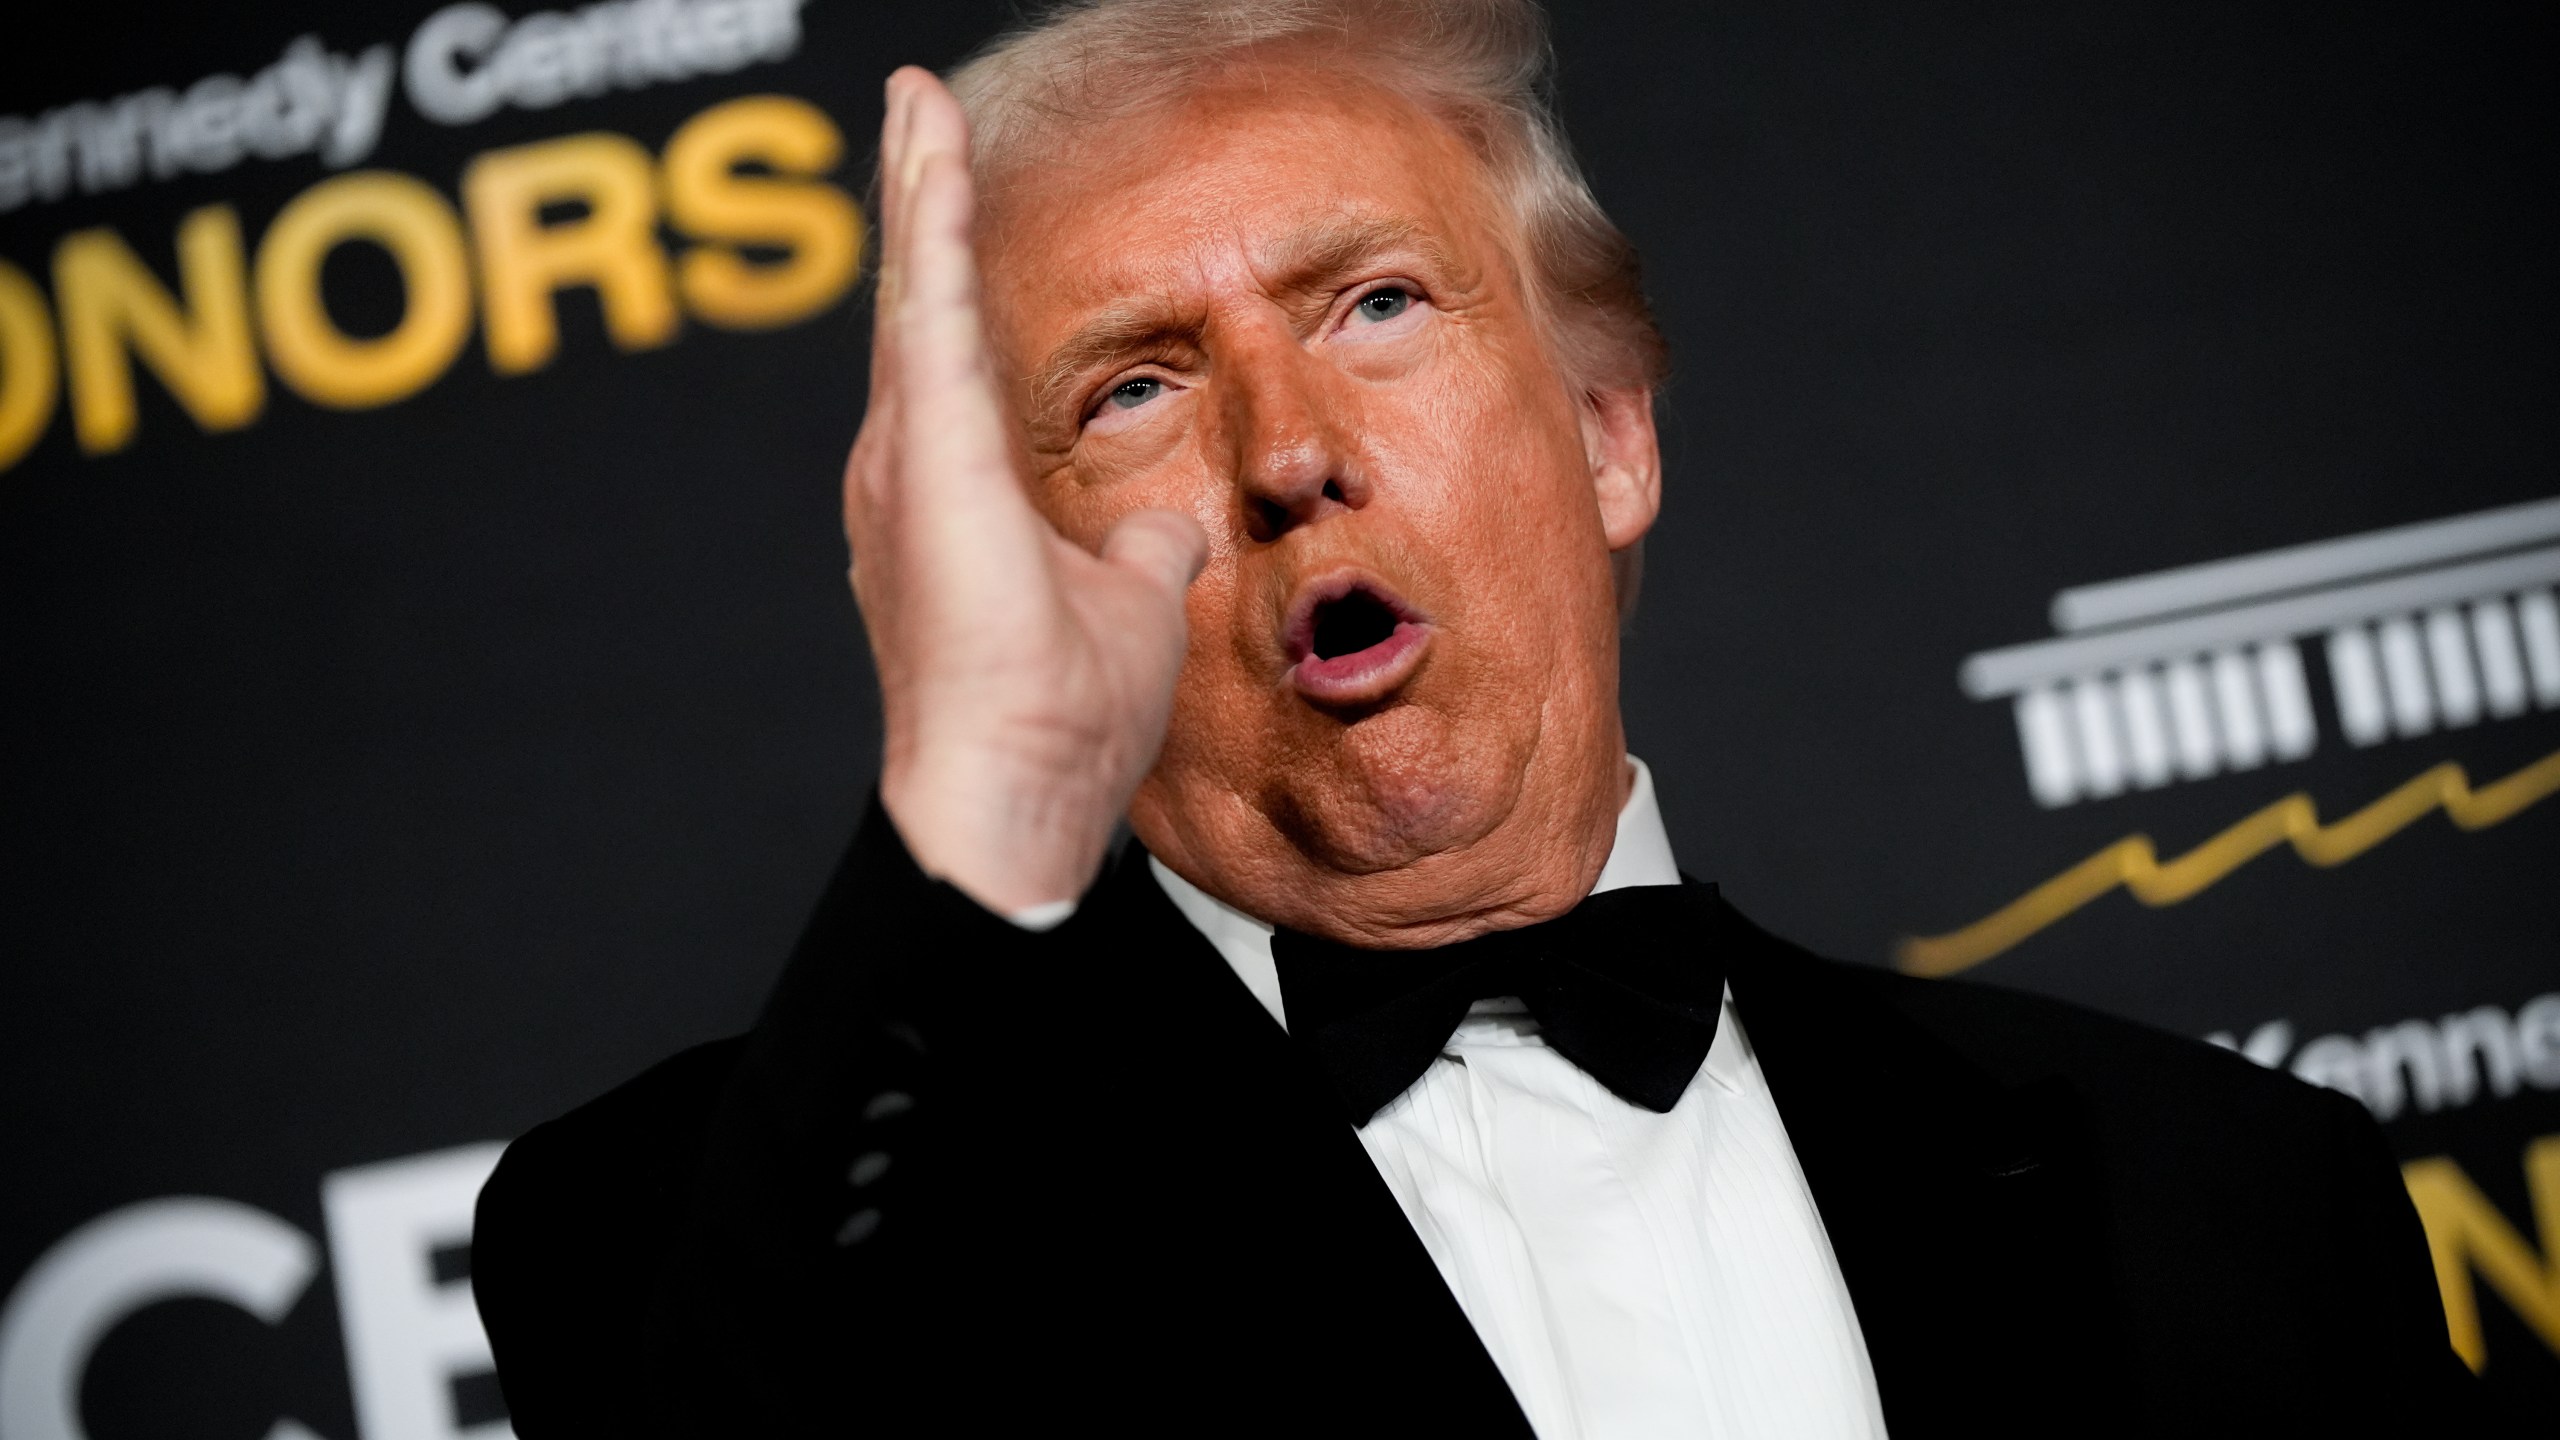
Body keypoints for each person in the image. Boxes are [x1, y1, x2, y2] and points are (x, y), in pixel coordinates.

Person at [471, 1, 2478, 1434]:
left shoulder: (2226, 1197)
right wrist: (977, 800)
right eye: (1132, 389)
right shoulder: (688, 1229)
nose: (1284, 452)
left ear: (1604, 438)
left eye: (1371, 305)